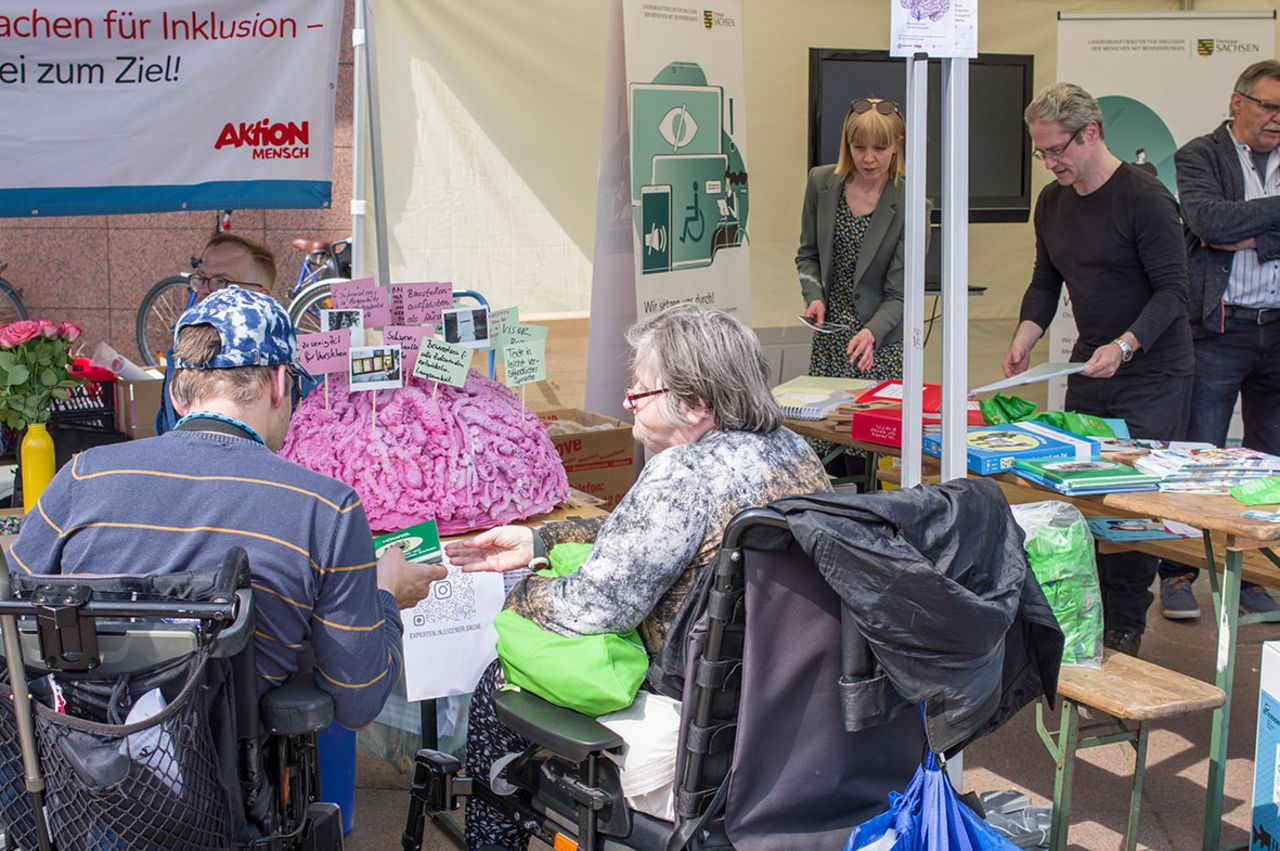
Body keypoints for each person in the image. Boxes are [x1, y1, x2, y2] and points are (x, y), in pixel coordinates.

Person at [446, 304, 832, 850]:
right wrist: (542, 541)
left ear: (695, 404)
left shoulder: (683, 471)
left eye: (639, 390)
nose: (627, 400)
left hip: (692, 706)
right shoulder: (792, 449)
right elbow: (652, 537)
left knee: (496, 682)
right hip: (781, 698)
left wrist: (525, 592)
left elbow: (593, 610)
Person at [7, 287, 445, 729]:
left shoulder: (82, 476)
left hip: (71, 759)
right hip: (227, 766)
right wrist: (385, 595)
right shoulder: (326, 509)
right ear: (279, 384)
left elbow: (10, 617)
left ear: (176, 394)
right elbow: (358, 702)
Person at [1002, 82, 1194, 657]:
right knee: (1080, 491)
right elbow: (1045, 280)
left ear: (1091, 133)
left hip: (1153, 371)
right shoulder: (1051, 202)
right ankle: (1082, 615)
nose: (1050, 163)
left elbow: (1174, 290)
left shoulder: (1145, 199)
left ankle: (1125, 628)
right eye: (1040, 153)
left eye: (1056, 150)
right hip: (1089, 366)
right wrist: (1026, 335)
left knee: (1131, 502)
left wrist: (1126, 345)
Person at [1156, 60, 1280, 620]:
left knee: (1268, 461)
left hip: (1277, 327)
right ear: (1237, 102)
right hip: (1220, 327)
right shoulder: (1199, 155)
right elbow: (1209, 222)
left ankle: (1253, 574)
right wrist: (1248, 227)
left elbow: (1231, 229)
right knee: (1198, 454)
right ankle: (1178, 572)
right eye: (1269, 106)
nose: (1277, 119)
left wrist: (1250, 234)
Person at [795, 97, 912, 467]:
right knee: (822, 456)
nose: (869, 158)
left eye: (880, 148)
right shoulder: (821, 182)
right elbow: (807, 256)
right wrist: (814, 297)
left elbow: (900, 294)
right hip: (831, 344)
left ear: (897, 145)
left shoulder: (910, 201)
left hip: (877, 347)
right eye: (859, 147)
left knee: (864, 462)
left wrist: (871, 332)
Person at [155, 233, 286, 435]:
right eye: (202, 279)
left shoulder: (290, 359)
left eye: (223, 282)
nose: (205, 291)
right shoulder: (180, 354)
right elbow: (167, 431)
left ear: (262, 298)